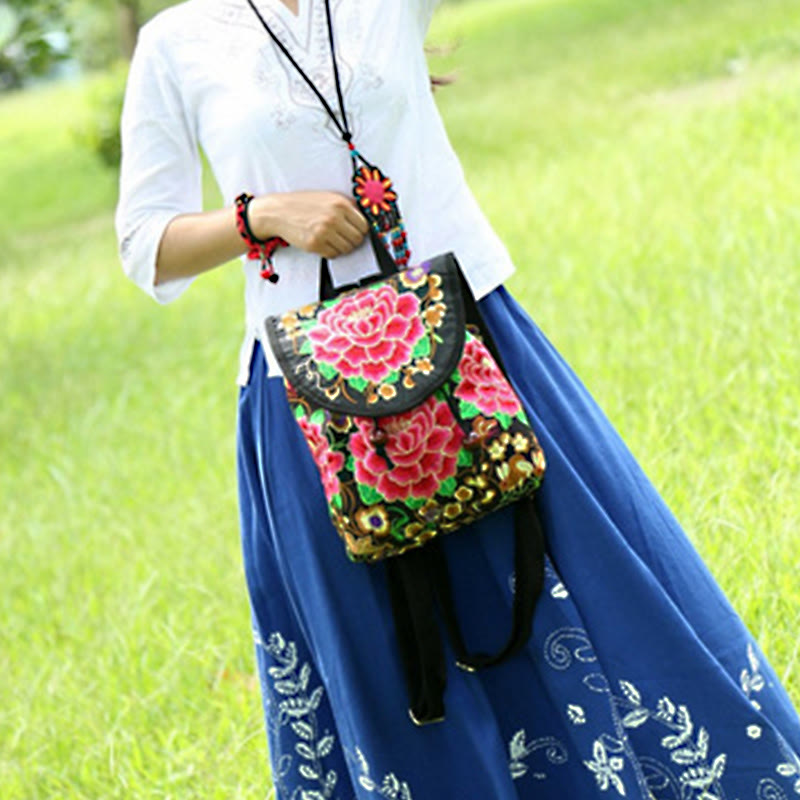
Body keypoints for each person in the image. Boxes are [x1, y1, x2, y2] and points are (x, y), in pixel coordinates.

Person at [115, 1, 800, 798]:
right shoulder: (176, 42)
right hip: (309, 405)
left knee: (590, 599)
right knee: (395, 678)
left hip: (474, 354)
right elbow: (145, 246)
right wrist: (264, 216)